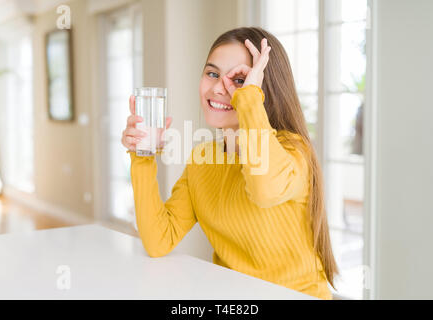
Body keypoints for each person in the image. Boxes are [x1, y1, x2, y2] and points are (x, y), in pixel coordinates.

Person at [121, 27, 338, 300]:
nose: (217, 88)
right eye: (212, 73)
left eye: (238, 80)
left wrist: (247, 97)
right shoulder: (203, 160)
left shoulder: (294, 150)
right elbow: (158, 240)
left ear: (261, 90)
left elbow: (265, 189)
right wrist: (143, 154)